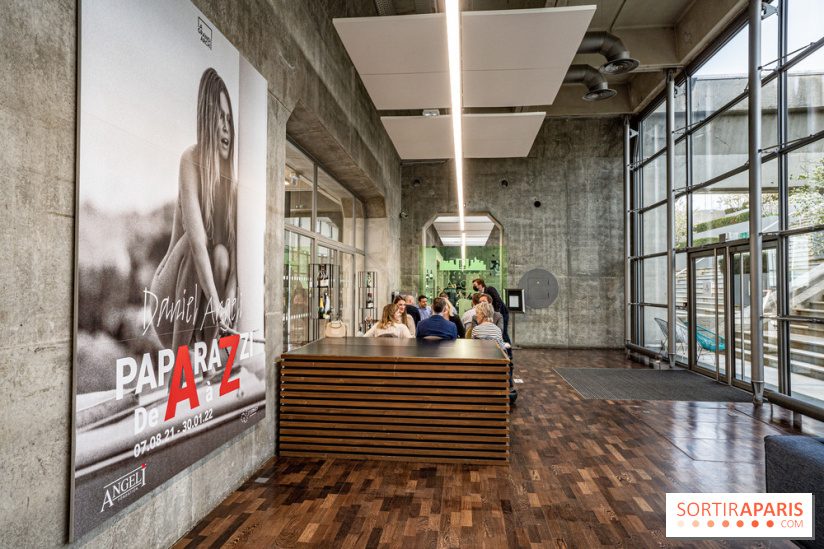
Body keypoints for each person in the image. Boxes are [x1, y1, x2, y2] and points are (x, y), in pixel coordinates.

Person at [150, 68, 238, 351]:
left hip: (202, 315)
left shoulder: (232, 186)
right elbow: (198, 243)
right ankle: (180, 367)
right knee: (191, 241)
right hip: (169, 306)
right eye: (219, 118)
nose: (226, 127)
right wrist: (216, 302)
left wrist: (227, 307)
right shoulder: (191, 159)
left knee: (223, 255)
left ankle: (208, 359)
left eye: (229, 119)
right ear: (207, 121)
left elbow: (235, 263)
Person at [472, 278, 510, 343]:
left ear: (480, 284)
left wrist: (496, 311)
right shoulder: (482, 293)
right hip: (492, 313)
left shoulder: (489, 289)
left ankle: (508, 352)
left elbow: (498, 300)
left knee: (503, 333)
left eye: (475, 285)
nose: (474, 286)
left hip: (502, 312)